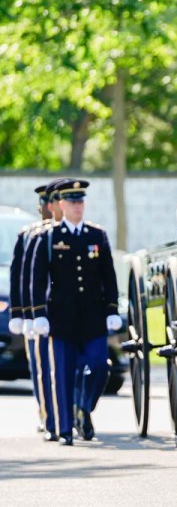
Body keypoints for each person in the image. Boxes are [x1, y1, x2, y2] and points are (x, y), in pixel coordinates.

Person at [29, 179, 122, 445]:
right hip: (62, 317)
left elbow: (109, 275)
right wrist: (38, 314)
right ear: (61, 205)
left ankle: (84, 405)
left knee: (99, 366)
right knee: (63, 373)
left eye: (81, 202)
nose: (78, 206)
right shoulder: (50, 237)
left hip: (93, 317)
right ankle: (66, 429)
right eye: (72, 202)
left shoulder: (96, 235)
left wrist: (112, 308)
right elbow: (38, 278)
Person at [8, 181, 63, 440]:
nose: (48, 208)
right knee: (42, 366)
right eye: (45, 203)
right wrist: (20, 314)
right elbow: (21, 278)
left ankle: (65, 412)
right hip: (37, 312)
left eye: (51, 203)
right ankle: (47, 415)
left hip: (63, 310)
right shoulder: (29, 234)